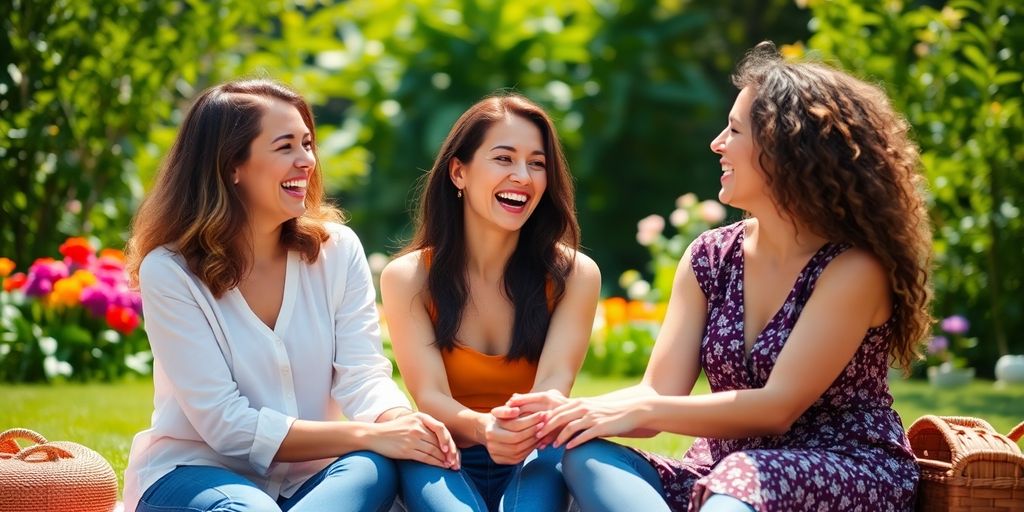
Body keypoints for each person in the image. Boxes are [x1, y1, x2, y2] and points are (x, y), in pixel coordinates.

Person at [510, 41, 932, 512]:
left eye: (734, 130)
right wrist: (570, 415)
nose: (717, 143)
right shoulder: (710, 257)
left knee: (739, 476)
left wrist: (639, 409)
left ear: (785, 148)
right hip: (727, 472)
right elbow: (657, 396)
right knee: (579, 453)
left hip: (844, 468)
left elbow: (778, 408)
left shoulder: (853, 268)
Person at [122, 79, 458, 512]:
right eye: (285, 147)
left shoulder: (337, 251)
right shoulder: (170, 271)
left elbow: (363, 375)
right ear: (231, 167)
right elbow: (226, 425)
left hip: (315, 477)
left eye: (307, 143)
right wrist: (369, 434)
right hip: (195, 473)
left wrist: (398, 423)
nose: (308, 162)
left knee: (376, 467)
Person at [380, 94, 601, 511]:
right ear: (459, 172)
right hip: (442, 451)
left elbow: (554, 385)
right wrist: (484, 428)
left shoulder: (575, 274)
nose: (523, 176)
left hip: (536, 451)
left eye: (537, 163)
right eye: (504, 159)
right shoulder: (408, 278)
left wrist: (513, 433)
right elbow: (429, 396)